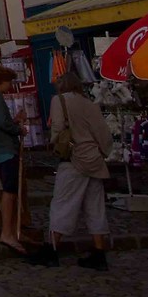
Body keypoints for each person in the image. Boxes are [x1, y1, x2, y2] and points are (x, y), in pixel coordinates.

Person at [47, 74, 113, 269]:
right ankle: (99, 252)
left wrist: (55, 143)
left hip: (73, 157)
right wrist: (102, 152)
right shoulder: (89, 104)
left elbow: (58, 126)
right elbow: (103, 132)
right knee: (95, 207)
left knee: (63, 203)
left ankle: (51, 249)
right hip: (93, 158)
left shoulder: (59, 100)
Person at [0, 62, 31, 256]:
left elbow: (1, 121)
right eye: (9, 82)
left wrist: (15, 119)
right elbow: (2, 123)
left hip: (3, 149)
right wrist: (18, 129)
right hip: (5, 150)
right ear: (2, 81)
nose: (10, 86)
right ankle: (7, 232)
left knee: (13, 190)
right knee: (9, 191)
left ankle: (14, 230)